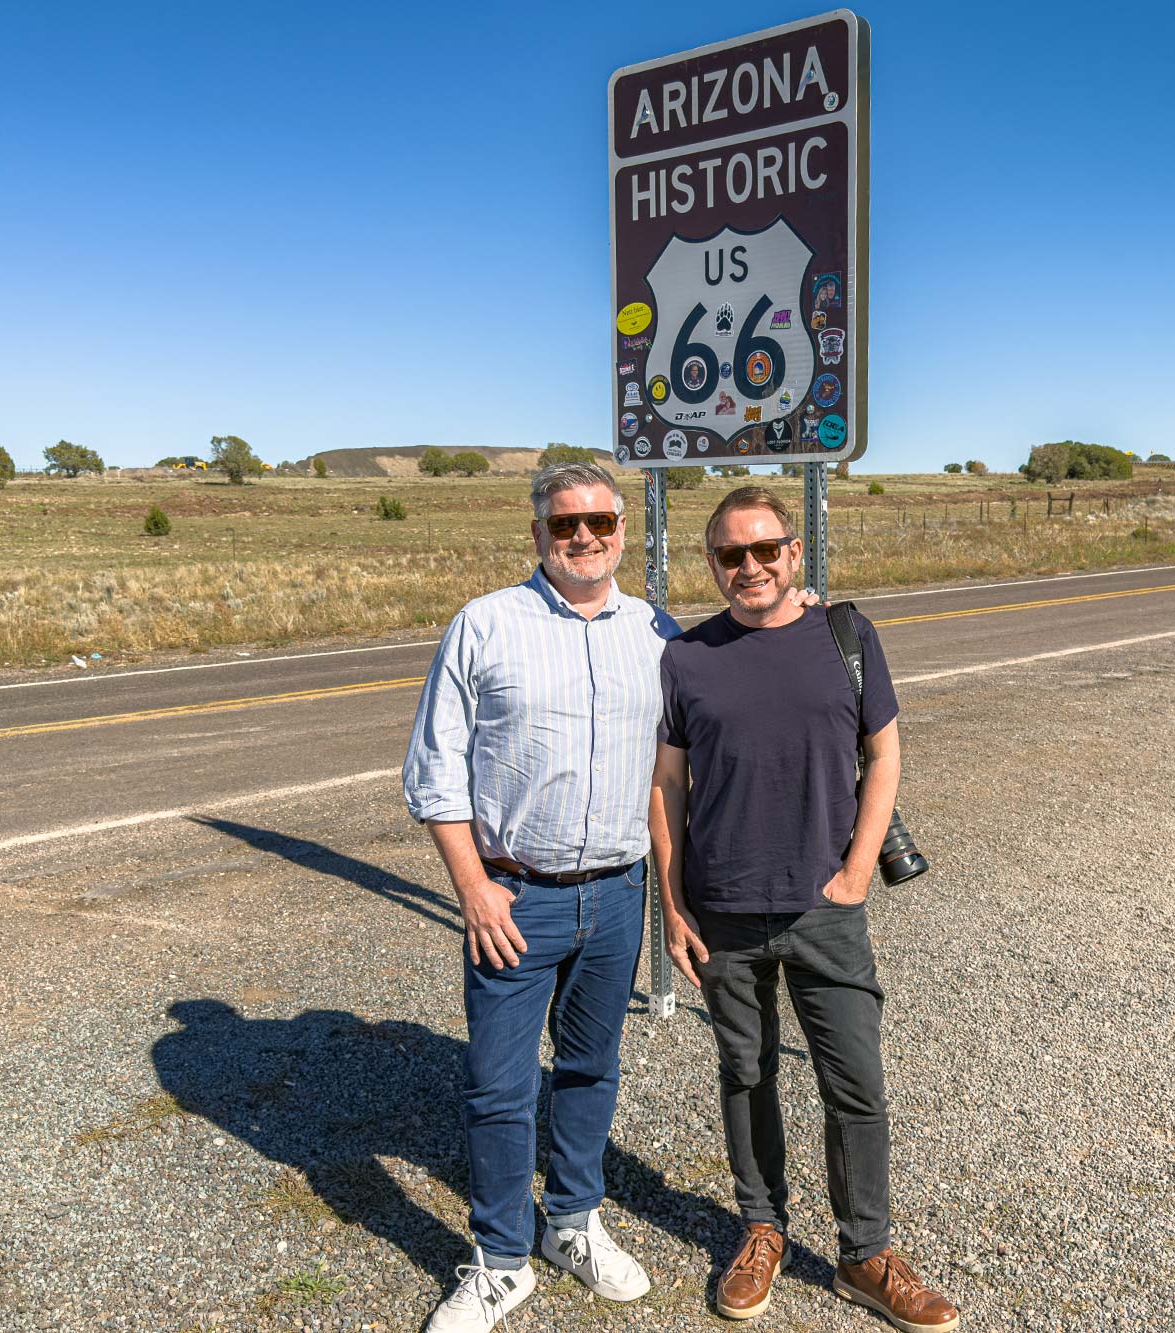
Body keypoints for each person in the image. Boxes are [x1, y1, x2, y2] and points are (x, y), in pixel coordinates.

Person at [649, 486, 958, 1332]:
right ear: (711, 563)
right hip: (724, 908)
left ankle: (865, 1253)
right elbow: (667, 786)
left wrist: (858, 870)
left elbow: (885, 752)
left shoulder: (845, 637)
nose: (749, 566)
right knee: (747, 1074)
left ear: (794, 552)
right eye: (730, 554)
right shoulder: (686, 657)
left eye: (764, 549)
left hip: (826, 908)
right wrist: (671, 905)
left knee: (853, 1082)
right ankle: (761, 1228)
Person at [402, 461, 668, 1330]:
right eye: (565, 526)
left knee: (592, 1066)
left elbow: (735, 681)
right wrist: (473, 887)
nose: (584, 538)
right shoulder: (486, 625)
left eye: (599, 522)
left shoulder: (655, 631)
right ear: (538, 536)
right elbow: (435, 771)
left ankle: (572, 1220)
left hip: (618, 892)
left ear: (623, 528)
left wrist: (808, 616)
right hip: (516, 897)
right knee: (498, 1082)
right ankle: (500, 1259)